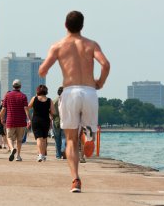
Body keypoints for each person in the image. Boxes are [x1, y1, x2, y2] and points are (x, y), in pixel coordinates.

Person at [39, 10, 110, 193]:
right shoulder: (91, 44)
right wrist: (100, 82)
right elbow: (105, 64)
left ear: (65, 25)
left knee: (70, 139)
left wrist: (44, 68)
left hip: (70, 91)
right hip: (89, 91)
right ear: (82, 25)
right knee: (87, 130)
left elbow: (43, 70)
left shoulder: (58, 46)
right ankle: (88, 137)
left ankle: (75, 180)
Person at [0, 79, 31, 162]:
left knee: (9, 137)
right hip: (21, 122)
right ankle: (18, 156)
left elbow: (3, 109)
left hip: (10, 121)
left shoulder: (7, 96)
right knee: (19, 140)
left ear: (13, 86)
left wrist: (0, 117)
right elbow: (26, 109)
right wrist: (29, 119)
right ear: (20, 86)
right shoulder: (23, 96)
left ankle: (12, 148)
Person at [28, 85, 55, 162]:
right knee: (44, 139)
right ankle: (43, 155)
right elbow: (53, 112)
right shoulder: (49, 100)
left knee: (39, 138)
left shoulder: (34, 98)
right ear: (46, 91)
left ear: (38, 91)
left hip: (36, 120)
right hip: (46, 121)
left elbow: (28, 106)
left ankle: (40, 155)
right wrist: (48, 111)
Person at [52, 86, 66, 159]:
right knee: (64, 137)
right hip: (65, 121)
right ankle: (63, 148)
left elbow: (51, 112)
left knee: (57, 139)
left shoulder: (54, 101)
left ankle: (58, 155)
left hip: (56, 121)